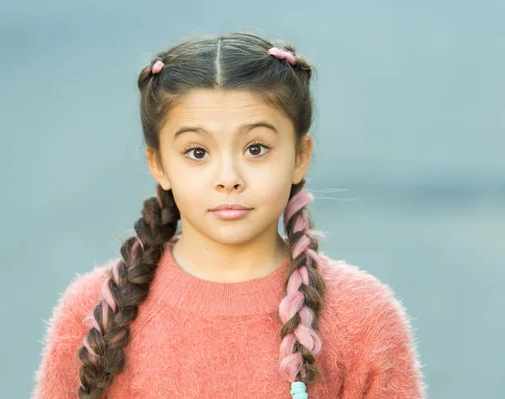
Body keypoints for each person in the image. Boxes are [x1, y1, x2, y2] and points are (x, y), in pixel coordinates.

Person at [30, 32, 427, 399]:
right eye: (197, 152)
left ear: (300, 156)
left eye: (256, 148)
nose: (228, 179)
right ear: (159, 164)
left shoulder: (363, 317)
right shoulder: (95, 312)